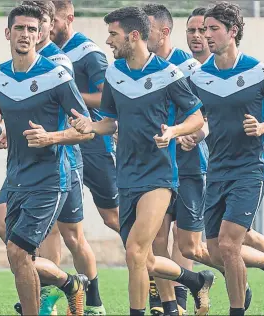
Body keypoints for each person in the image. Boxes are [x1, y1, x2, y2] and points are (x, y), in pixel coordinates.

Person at [70, 6, 216, 316]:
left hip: (159, 175)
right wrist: (90, 126)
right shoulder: (114, 73)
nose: (108, 41)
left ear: (133, 36)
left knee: (135, 252)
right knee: (144, 256)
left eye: (113, 34)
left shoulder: (168, 73)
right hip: (126, 176)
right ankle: (193, 282)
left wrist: (174, 131)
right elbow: (109, 120)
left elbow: (196, 117)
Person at [0, 2, 106, 315]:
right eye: (20, 28)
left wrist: (52, 137)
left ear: (40, 32)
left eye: (32, 28)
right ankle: (70, 283)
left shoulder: (57, 74)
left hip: (50, 177)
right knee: (16, 249)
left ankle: (80, 296)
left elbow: (87, 130)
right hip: (15, 177)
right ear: (8, 32)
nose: (26, 34)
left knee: (21, 251)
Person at [190, 2, 264, 315]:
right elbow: (200, 119)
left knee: (230, 243)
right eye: (203, 29)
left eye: (213, 29)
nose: (206, 35)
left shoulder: (258, 71)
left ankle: (236, 310)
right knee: (212, 249)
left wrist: (261, 126)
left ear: (233, 31)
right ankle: (242, 281)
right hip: (216, 169)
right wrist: (191, 135)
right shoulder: (200, 77)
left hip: (249, 170)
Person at [142, 5, 208, 315]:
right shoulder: (142, 67)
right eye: (192, 30)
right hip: (155, 166)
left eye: (147, 29)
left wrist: (193, 135)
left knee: (187, 244)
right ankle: (169, 305)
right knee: (156, 236)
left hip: (189, 165)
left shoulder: (191, 67)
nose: (142, 36)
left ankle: (194, 286)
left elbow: (206, 117)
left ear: (163, 32)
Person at [50, 0, 120, 234]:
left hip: (95, 144)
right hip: (65, 144)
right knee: (57, 223)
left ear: (69, 19)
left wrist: (68, 94)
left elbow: (108, 98)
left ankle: (152, 260)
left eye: (54, 22)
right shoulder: (46, 52)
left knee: (112, 217)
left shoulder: (88, 52)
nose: (48, 28)